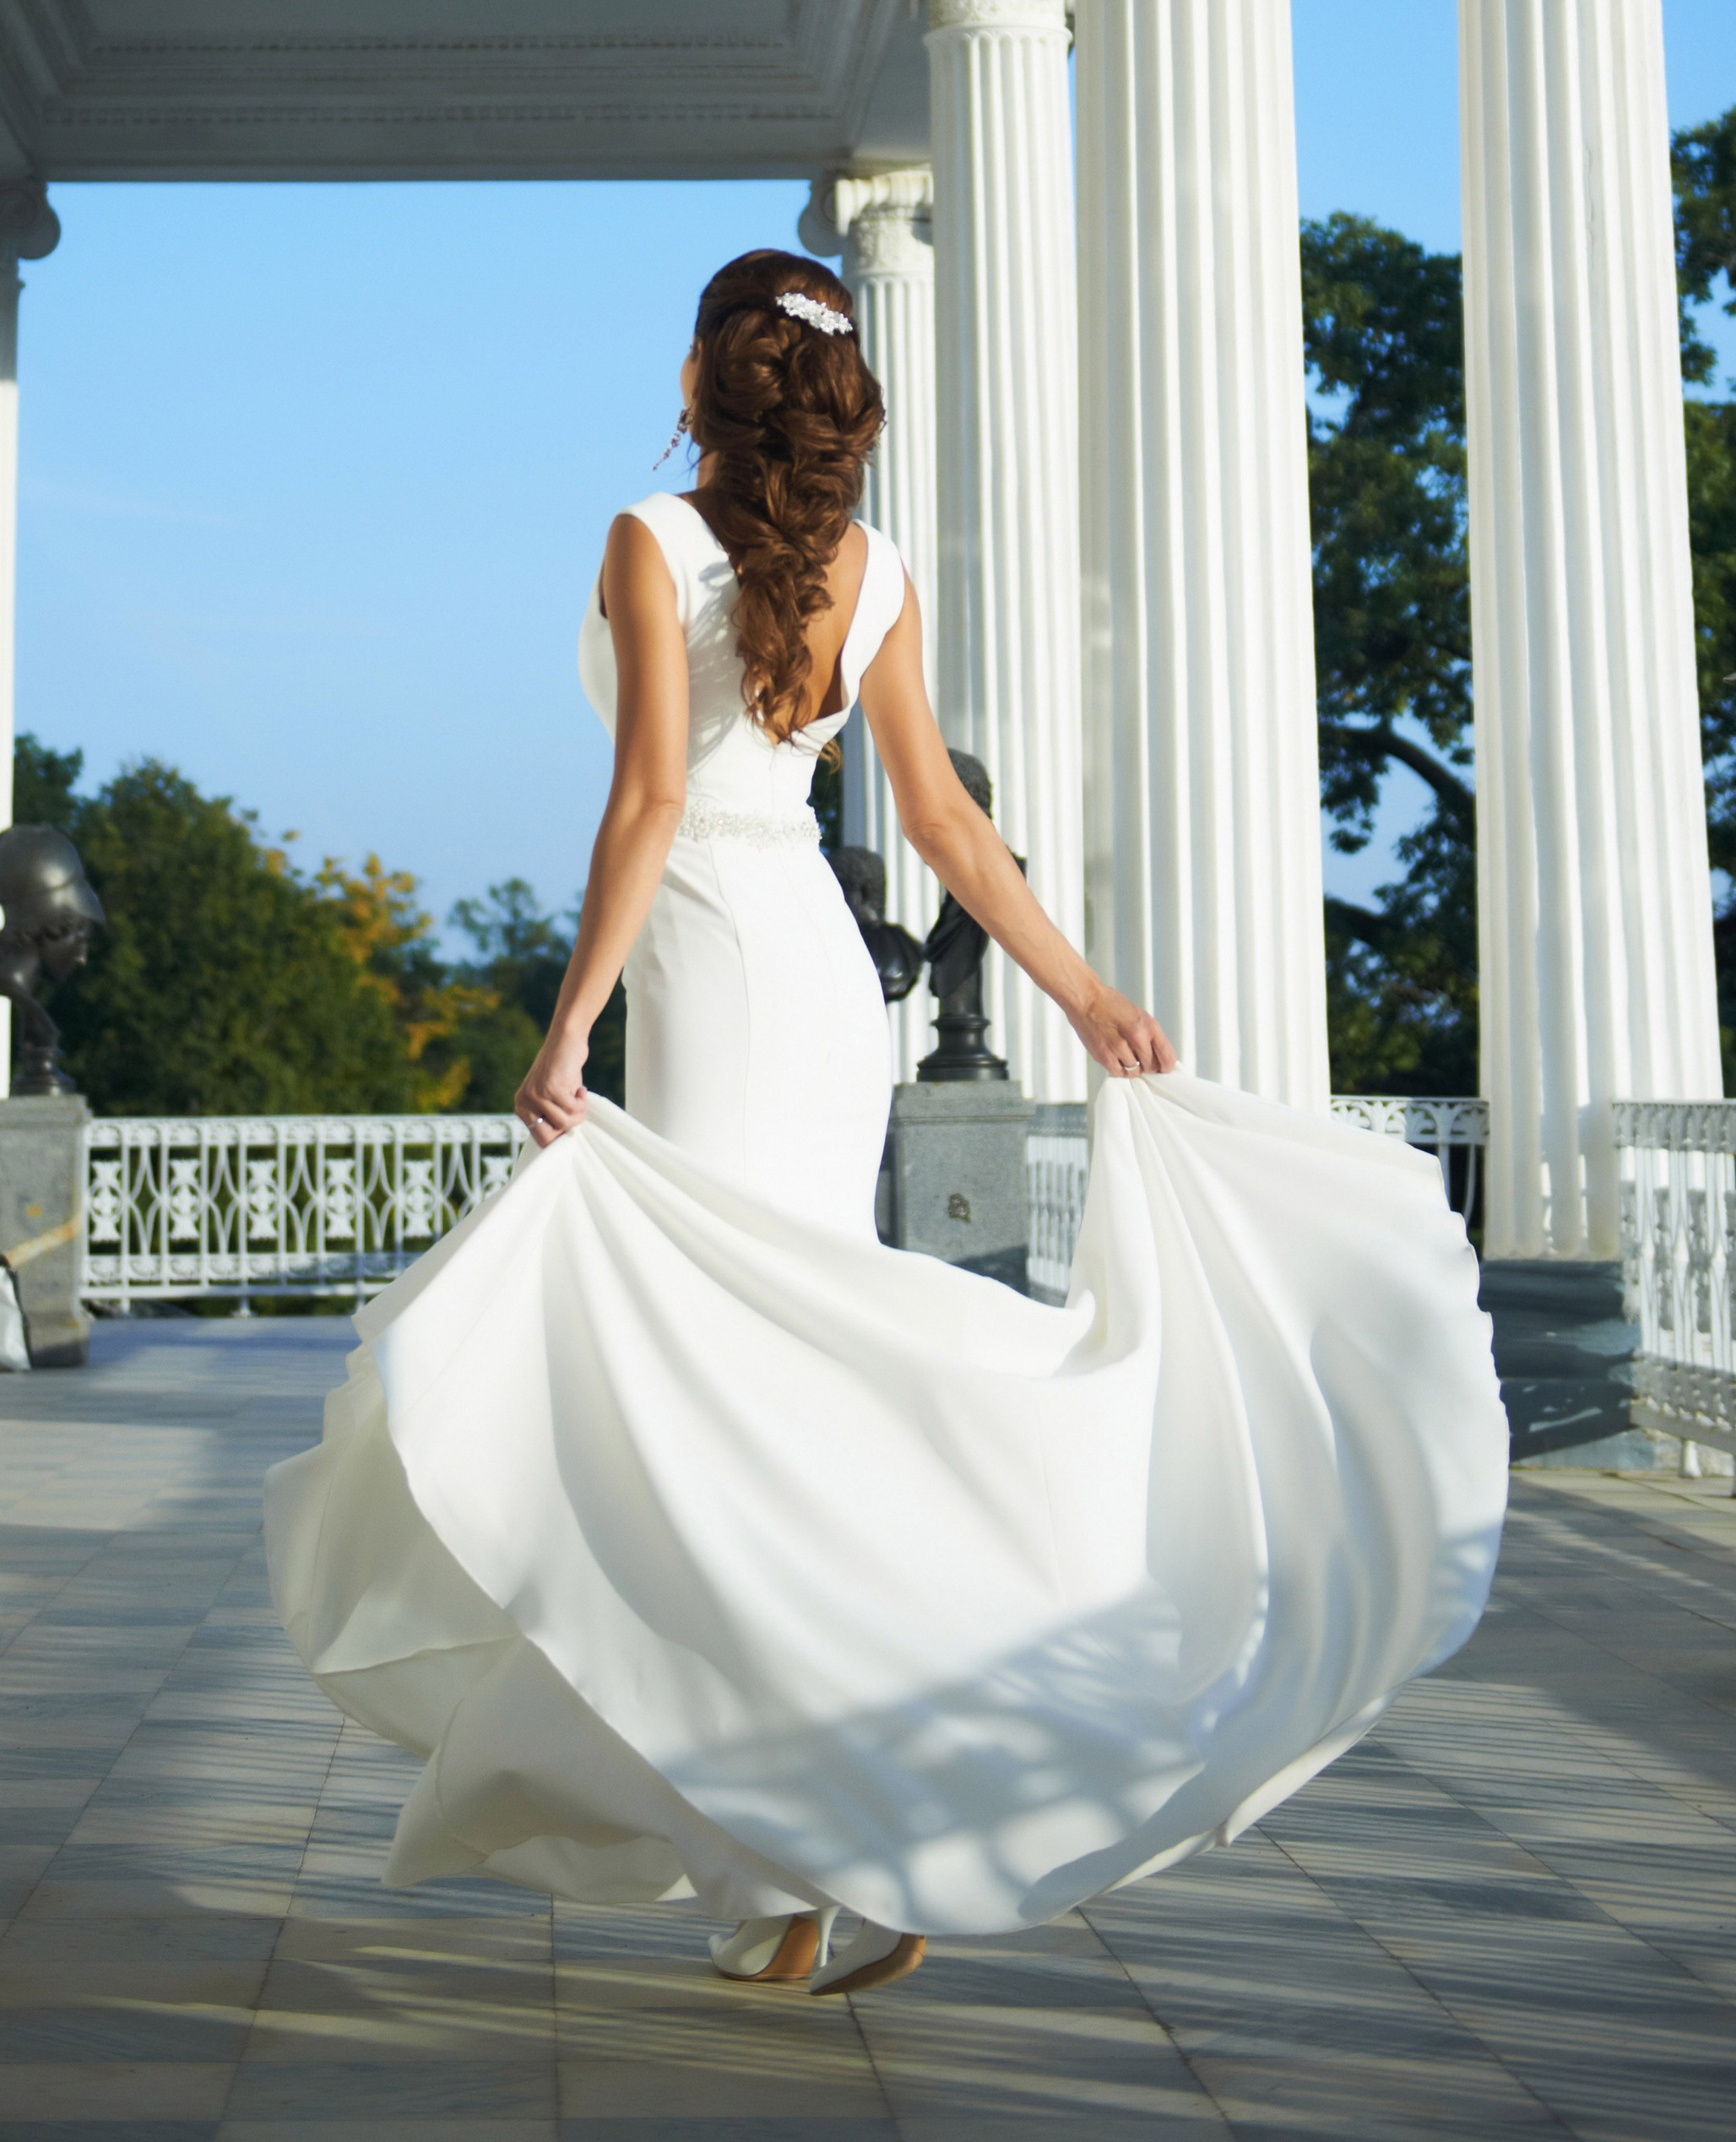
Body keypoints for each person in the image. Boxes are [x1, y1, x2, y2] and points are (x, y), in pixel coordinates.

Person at [264, 249, 1508, 2000]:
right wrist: (1077, 990)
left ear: (703, 370)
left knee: (716, 1394)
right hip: (820, 978)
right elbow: (939, 821)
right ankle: (824, 1841)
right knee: (765, 1381)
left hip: (707, 961)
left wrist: (567, 1023)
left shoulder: (647, 536)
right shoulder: (873, 564)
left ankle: (822, 1840)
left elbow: (643, 799)